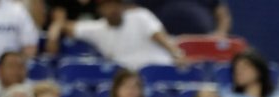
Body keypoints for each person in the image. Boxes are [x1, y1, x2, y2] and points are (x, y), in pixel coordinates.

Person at [45, 0, 182, 70]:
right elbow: (67, 26)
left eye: (115, 4)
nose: (112, 9)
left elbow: (160, 35)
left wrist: (176, 53)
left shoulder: (139, 16)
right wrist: (54, 31)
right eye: (107, 6)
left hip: (159, 67)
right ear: (100, 10)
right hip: (129, 78)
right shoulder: (98, 29)